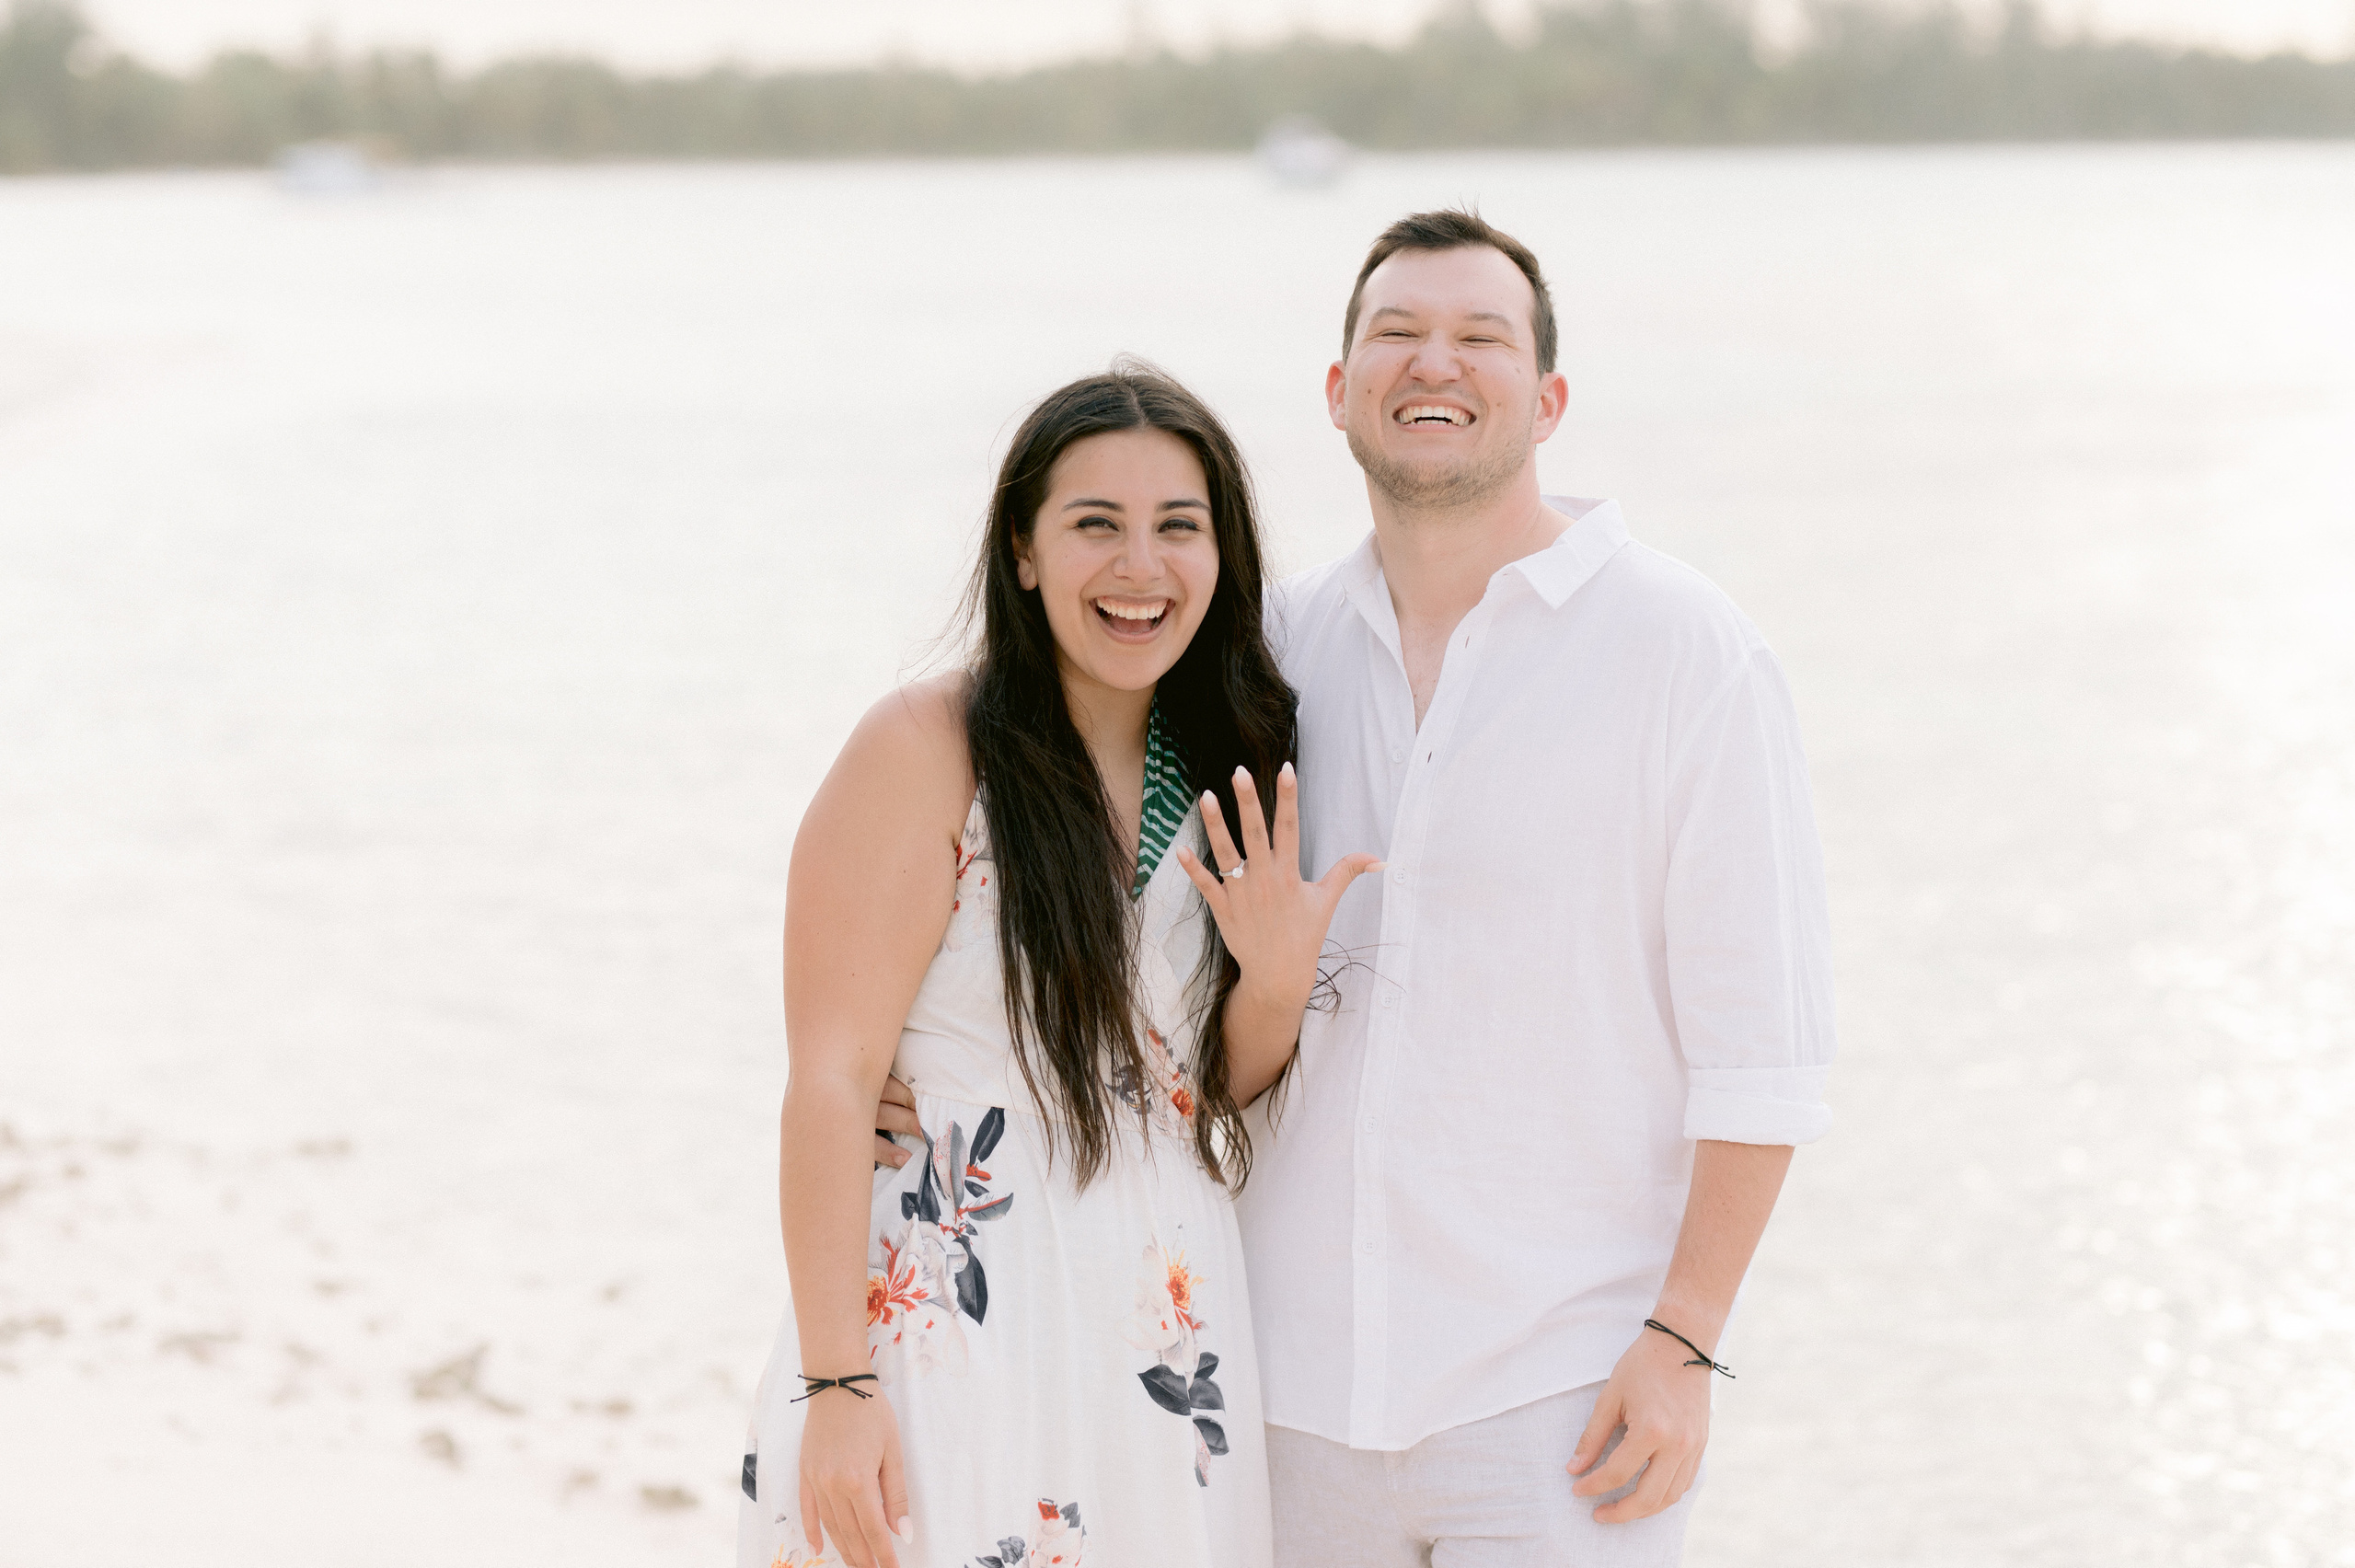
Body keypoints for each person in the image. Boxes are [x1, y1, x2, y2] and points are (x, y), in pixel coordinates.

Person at [875, 210, 1837, 1566]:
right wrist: (898, 1069)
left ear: (1549, 399)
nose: (1431, 363)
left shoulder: (1688, 654)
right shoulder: (1262, 657)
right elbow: (1119, 942)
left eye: (1478, 337)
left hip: (1562, 1398)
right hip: (1279, 1390)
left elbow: (1765, 1052)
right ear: (1338, 393)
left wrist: (1685, 1342)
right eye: (1394, 334)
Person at [741, 364, 1380, 1568]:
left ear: (1223, 557)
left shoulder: (1230, 762)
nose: (1139, 566)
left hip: (1163, 1315)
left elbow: (1195, 1095)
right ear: (1025, 553)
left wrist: (1280, 982)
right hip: (951, 1306)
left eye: (1177, 528)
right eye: (1096, 526)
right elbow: (831, 1078)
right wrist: (837, 1384)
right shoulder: (928, 746)